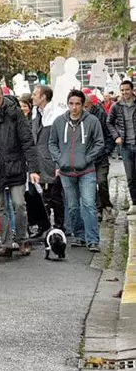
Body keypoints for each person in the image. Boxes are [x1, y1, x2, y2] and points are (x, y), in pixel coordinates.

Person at [0, 84, 41, 258]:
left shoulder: (14, 112)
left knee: (19, 204)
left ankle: (23, 239)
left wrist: (33, 168)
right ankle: (7, 242)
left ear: (3, 95)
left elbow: (27, 141)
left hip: (14, 165)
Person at [49, 89, 104, 252]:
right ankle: (79, 235)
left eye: (78, 104)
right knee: (72, 206)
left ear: (83, 105)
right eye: (71, 104)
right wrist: (60, 159)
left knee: (88, 203)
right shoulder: (59, 122)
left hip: (87, 171)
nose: (74, 107)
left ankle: (92, 239)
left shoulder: (92, 121)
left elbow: (99, 143)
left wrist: (87, 158)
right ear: (68, 104)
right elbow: (52, 143)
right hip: (66, 171)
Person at [31, 85, 66, 231]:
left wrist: (59, 163)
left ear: (43, 96)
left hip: (51, 161)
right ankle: (43, 226)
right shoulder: (35, 112)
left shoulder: (57, 114)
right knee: (40, 196)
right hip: (38, 162)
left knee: (55, 196)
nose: (32, 96)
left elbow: (60, 141)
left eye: (35, 94)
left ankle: (59, 226)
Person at [84, 92, 115, 222]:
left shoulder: (101, 115)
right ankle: (98, 208)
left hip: (101, 156)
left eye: (85, 105)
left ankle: (107, 204)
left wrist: (106, 150)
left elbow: (108, 134)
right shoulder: (77, 117)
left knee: (101, 181)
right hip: (87, 158)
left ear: (91, 103)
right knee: (91, 185)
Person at [107, 81, 136, 207]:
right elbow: (109, 122)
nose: (124, 92)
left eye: (127, 90)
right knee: (130, 177)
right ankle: (134, 203)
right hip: (125, 147)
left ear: (132, 90)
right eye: (122, 90)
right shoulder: (116, 106)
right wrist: (116, 136)